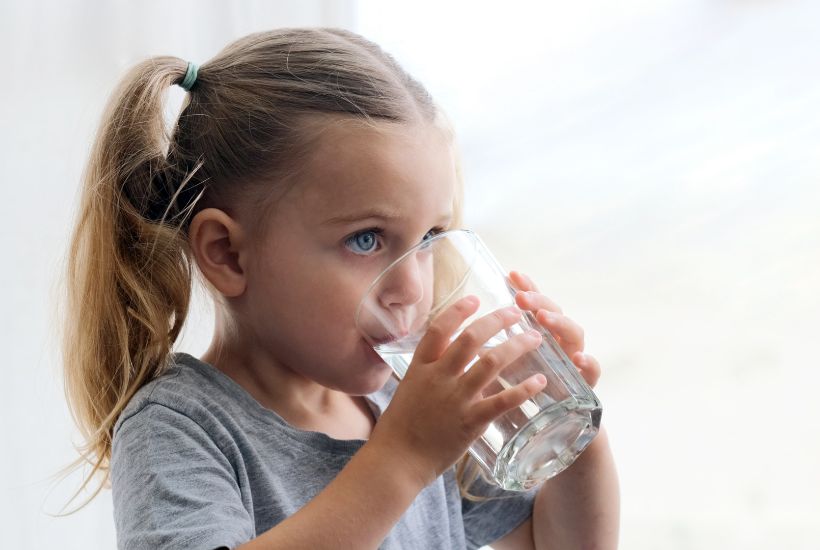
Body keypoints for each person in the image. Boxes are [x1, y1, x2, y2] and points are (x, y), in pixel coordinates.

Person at [62, 27, 619, 549]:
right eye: (366, 240)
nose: (411, 287)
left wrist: (574, 436)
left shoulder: (410, 402)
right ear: (227, 253)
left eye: (429, 236)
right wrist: (402, 459)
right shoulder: (179, 428)